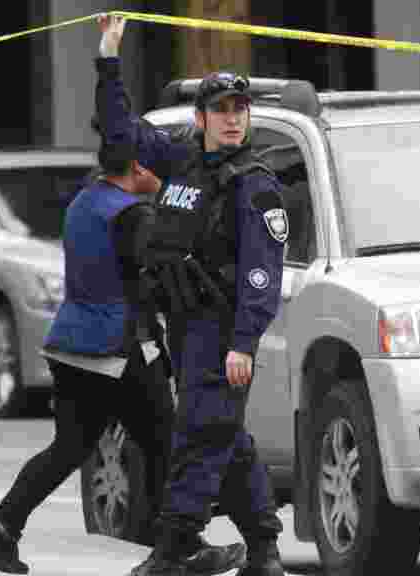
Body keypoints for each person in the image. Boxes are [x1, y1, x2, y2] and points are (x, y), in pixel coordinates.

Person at [94, 14, 287, 576]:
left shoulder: (254, 183)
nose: (232, 120)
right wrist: (109, 56)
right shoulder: (180, 159)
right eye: (222, 111)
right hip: (184, 323)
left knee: (201, 435)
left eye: (240, 111)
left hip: (224, 329)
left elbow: (262, 272)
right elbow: (121, 132)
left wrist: (245, 342)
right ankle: (266, 550)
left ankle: (174, 549)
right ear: (201, 118)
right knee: (227, 436)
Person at [0, 136, 175, 574]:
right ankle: (175, 551)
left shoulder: (85, 202)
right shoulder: (134, 215)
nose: (165, 175)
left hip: (70, 343)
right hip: (117, 348)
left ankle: (3, 527)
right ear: (139, 168)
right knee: (164, 442)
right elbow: (153, 279)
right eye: (160, 166)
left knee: (69, 447)